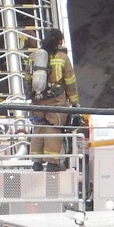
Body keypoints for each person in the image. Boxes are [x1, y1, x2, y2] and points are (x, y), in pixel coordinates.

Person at [30, 28, 77, 169]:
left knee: (39, 126)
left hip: (37, 100)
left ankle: (36, 162)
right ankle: (52, 162)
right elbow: (70, 81)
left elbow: (27, 78)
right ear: (59, 41)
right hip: (56, 101)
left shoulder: (33, 56)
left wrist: (32, 96)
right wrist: (74, 102)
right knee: (53, 128)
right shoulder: (62, 58)